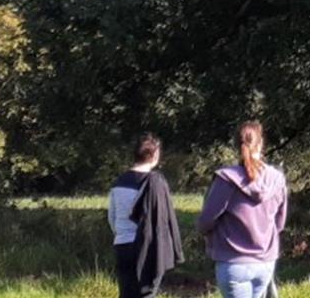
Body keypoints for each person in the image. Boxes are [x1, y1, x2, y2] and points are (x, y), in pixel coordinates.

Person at [199, 121, 289, 298]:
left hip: (233, 262)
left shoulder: (226, 179)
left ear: (236, 145)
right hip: (265, 263)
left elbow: (206, 220)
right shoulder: (277, 179)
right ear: (261, 143)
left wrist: (205, 233)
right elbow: (280, 223)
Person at [108, 133, 182, 298]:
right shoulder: (155, 183)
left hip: (122, 245)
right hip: (146, 248)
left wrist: (121, 234)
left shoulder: (119, 182)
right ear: (155, 154)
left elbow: (112, 217)